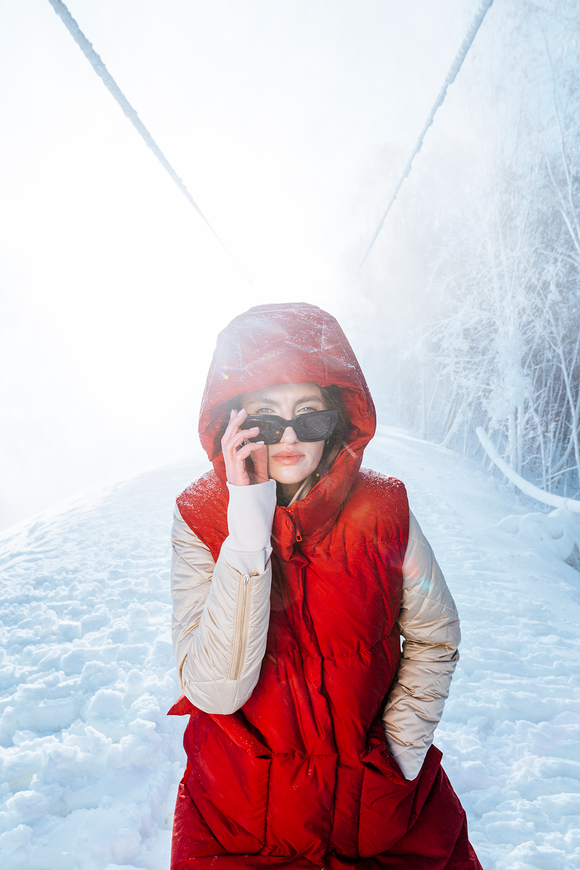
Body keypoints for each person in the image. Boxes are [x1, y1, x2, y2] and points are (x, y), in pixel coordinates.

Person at [169, 303, 482, 869]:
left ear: (336, 417)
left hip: (380, 815)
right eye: (266, 417)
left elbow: (435, 633)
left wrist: (400, 752)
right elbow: (215, 690)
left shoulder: (385, 509)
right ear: (233, 422)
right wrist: (246, 526)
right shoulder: (200, 517)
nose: (290, 436)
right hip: (242, 823)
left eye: (309, 416)